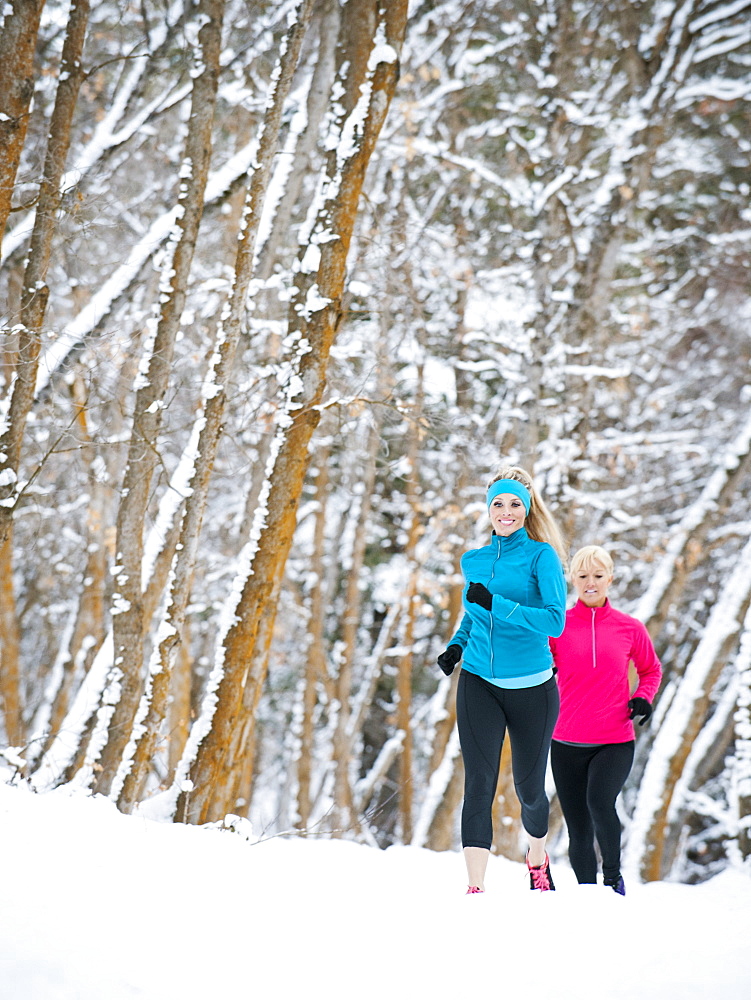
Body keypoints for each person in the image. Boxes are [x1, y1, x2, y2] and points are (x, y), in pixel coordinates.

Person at [436, 465, 567, 894]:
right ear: (488, 509)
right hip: (479, 681)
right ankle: (476, 887)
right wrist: (457, 646)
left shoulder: (541, 556)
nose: (505, 511)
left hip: (533, 686)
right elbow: (473, 615)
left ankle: (536, 855)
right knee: (479, 782)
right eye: (497, 503)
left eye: (514, 504)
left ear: (526, 510)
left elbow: (554, 622)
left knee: (530, 789)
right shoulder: (472, 560)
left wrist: (498, 604)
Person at [549, 545, 662, 896]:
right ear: (574, 581)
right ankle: (586, 894)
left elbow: (651, 669)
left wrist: (643, 697)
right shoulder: (558, 625)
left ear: (610, 579)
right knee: (578, 827)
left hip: (614, 740)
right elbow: (537, 666)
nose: (590, 583)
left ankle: (613, 879)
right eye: (583, 576)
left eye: (598, 576)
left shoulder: (629, 628)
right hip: (565, 740)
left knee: (599, 802)